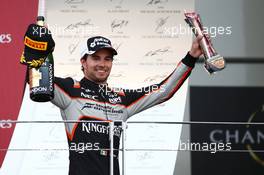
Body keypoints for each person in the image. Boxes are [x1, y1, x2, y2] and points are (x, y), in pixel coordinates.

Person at [20, 24, 203, 175]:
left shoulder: (122, 99)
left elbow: (163, 91)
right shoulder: (70, 89)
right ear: (83, 62)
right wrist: (37, 51)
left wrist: (191, 56)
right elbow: (37, 81)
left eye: (108, 59)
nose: (102, 64)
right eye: (96, 58)